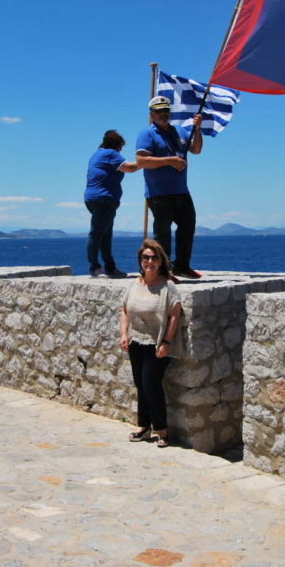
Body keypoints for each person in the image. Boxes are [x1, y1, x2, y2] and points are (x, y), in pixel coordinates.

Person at [118, 238, 182, 448]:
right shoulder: (134, 285)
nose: (149, 262)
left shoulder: (167, 286)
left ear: (160, 261)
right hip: (136, 341)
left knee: (150, 384)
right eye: (145, 258)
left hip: (157, 343)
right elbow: (125, 310)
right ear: (140, 261)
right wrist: (123, 334)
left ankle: (162, 430)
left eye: (154, 257)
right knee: (140, 385)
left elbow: (175, 315)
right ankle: (143, 426)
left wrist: (166, 342)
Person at [135, 96, 204, 279]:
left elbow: (196, 150)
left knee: (188, 227)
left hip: (181, 191)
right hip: (158, 193)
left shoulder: (179, 131)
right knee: (163, 233)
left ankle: (181, 266)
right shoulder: (147, 134)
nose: (163, 114)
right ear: (151, 114)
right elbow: (141, 161)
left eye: (166, 110)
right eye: (159, 111)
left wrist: (197, 130)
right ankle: (163, 272)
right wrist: (170, 161)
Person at [84, 130, 139, 278]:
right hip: (104, 199)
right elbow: (130, 168)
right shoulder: (110, 153)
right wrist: (145, 161)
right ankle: (96, 267)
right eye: (120, 147)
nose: (120, 151)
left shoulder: (97, 154)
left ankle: (108, 268)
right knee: (97, 234)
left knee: (104, 234)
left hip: (92, 199)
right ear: (116, 145)